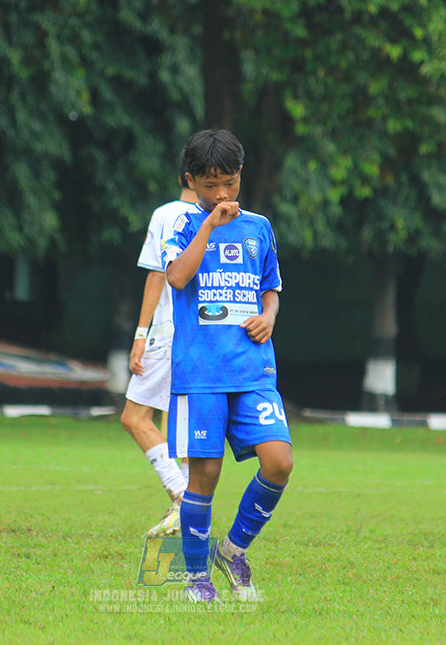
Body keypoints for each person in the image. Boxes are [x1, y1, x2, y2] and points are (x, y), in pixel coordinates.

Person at [162, 129, 293, 603]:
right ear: (191, 181)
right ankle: (196, 579)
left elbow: (270, 286)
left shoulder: (259, 226)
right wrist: (208, 227)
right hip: (201, 374)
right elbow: (176, 277)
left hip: (253, 369)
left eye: (230, 183)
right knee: (206, 476)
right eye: (211, 184)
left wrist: (269, 317)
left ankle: (233, 549)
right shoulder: (179, 224)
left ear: (241, 176)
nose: (222, 195)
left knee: (279, 461)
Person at [119, 169, 197, 537]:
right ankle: (183, 507)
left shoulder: (166, 214)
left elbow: (155, 275)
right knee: (174, 423)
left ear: (184, 175)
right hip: (201, 337)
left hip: (168, 332)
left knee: (134, 417)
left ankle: (184, 500)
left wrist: (139, 335)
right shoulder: (222, 219)